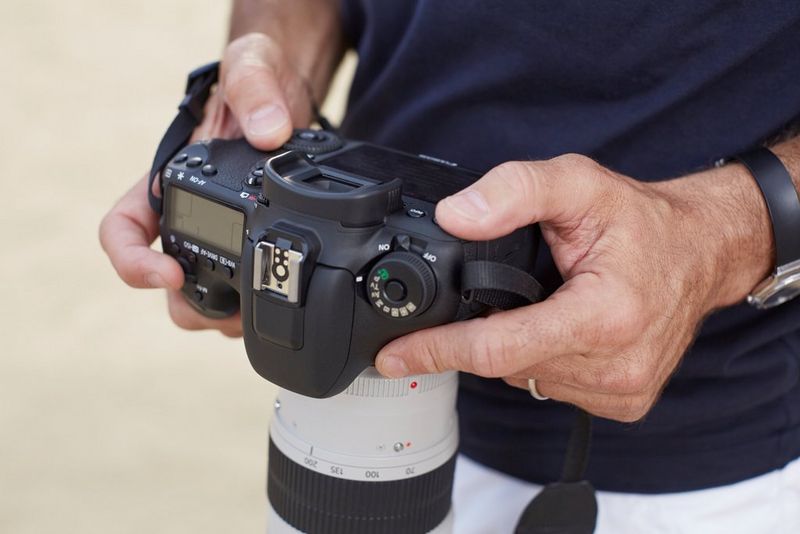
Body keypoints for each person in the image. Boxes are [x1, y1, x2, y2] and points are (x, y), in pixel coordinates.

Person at [99, 1, 800, 532]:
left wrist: (723, 235)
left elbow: (718, 236)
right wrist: (272, 77)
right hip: (331, 430)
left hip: (695, 465)